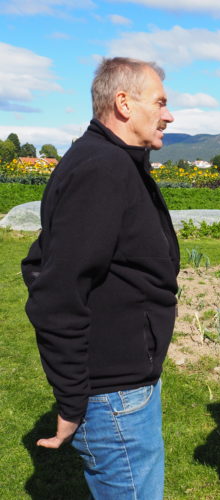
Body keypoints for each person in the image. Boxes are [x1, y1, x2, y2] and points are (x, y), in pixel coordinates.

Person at [21, 57, 179, 499]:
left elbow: (42, 258)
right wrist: (74, 400)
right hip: (113, 395)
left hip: (127, 383)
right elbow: (56, 292)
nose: (169, 114)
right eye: (161, 103)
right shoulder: (102, 169)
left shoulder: (118, 162)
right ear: (124, 103)